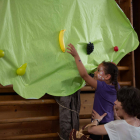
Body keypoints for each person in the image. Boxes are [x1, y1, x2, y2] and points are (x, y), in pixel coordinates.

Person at [67, 43, 119, 140]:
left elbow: (84, 75)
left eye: (98, 70)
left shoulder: (102, 86)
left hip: (99, 123)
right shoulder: (116, 86)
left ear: (107, 77)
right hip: (110, 124)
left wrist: (76, 55)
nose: (95, 72)